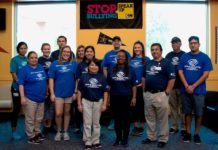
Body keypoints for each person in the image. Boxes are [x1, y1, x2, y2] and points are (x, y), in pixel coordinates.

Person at [178, 36, 213, 144]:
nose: (193, 45)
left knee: (198, 113)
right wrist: (187, 86)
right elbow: (180, 72)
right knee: (187, 113)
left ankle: (196, 134)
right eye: (191, 43)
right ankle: (188, 133)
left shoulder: (205, 57)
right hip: (185, 90)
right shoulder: (184, 57)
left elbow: (206, 74)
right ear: (189, 45)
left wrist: (193, 86)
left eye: (195, 43)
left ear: (199, 44)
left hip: (199, 91)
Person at [142, 43, 175, 148]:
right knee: (150, 117)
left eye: (156, 49)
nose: (154, 51)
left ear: (161, 51)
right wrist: (144, 90)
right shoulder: (148, 63)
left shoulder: (167, 63)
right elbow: (143, 77)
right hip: (148, 94)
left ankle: (163, 138)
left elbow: (172, 79)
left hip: (161, 94)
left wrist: (166, 93)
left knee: (162, 119)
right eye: (152, 50)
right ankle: (151, 136)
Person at [107, 49, 137, 147]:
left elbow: (134, 85)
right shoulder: (112, 69)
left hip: (127, 98)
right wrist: (107, 100)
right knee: (117, 120)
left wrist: (134, 98)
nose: (120, 58)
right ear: (116, 57)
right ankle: (118, 138)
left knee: (127, 120)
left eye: (122, 56)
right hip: (115, 98)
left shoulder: (131, 69)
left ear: (126, 58)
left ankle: (125, 139)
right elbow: (109, 86)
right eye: (118, 56)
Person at [77, 58, 108, 150]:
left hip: (98, 102)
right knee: (87, 123)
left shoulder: (102, 77)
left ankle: (96, 141)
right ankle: (88, 141)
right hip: (86, 102)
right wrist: (79, 104)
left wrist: (104, 104)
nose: (93, 67)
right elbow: (79, 91)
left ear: (99, 67)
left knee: (96, 123)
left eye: (95, 65)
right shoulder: (84, 76)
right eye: (91, 65)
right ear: (88, 67)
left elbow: (105, 91)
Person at [102, 36, 131, 130]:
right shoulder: (107, 54)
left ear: (121, 43)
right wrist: (108, 80)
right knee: (112, 103)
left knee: (124, 103)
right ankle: (113, 121)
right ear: (112, 43)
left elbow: (129, 67)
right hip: (112, 82)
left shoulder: (126, 53)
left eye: (118, 41)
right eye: (114, 41)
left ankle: (123, 121)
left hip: (123, 82)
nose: (116, 43)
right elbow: (104, 68)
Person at [49, 45, 77, 141]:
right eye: (64, 51)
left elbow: (77, 79)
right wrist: (52, 93)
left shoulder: (73, 64)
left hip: (69, 93)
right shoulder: (55, 63)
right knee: (58, 113)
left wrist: (75, 92)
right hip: (58, 93)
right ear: (61, 53)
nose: (66, 53)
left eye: (68, 52)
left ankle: (65, 132)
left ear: (70, 54)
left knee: (67, 113)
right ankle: (58, 131)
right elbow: (51, 79)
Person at [17, 51, 47, 144]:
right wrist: (22, 97)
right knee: (30, 118)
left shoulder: (41, 67)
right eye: (32, 58)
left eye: (35, 57)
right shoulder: (24, 70)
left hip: (41, 98)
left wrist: (46, 92)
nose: (34, 59)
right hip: (30, 98)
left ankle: (37, 133)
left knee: (39, 118)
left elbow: (44, 80)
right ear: (28, 59)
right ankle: (31, 136)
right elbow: (21, 84)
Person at [165, 37, 186, 136]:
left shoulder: (185, 55)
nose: (174, 44)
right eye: (172, 43)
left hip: (182, 86)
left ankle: (183, 127)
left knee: (182, 108)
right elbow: (166, 69)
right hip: (172, 86)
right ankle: (174, 126)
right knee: (173, 107)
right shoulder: (168, 55)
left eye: (176, 43)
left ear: (180, 44)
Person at [129, 41, 150, 136]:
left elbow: (149, 73)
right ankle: (135, 126)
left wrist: (142, 83)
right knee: (133, 107)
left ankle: (141, 127)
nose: (137, 49)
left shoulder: (147, 59)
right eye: (135, 47)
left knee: (141, 107)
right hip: (132, 87)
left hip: (142, 87)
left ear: (142, 48)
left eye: (139, 47)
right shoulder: (130, 60)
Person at [9, 41, 28, 140]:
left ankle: (28, 130)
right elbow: (14, 75)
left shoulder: (28, 59)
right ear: (18, 49)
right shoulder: (14, 60)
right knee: (16, 109)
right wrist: (21, 84)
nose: (23, 50)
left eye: (25, 48)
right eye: (21, 48)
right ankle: (14, 131)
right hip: (16, 88)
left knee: (27, 110)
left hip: (27, 89)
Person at [38, 43, 55, 135]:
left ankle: (50, 125)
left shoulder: (53, 60)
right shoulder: (39, 60)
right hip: (43, 85)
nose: (47, 50)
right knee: (44, 107)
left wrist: (50, 88)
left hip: (52, 85)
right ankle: (44, 126)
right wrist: (46, 88)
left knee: (52, 107)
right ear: (42, 50)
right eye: (45, 49)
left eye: (48, 49)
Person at [72, 45, 85, 134]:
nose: (81, 52)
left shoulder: (88, 62)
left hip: (86, 88)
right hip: (75, 87)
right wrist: (75, 90)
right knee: (77, 107)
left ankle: (85, 126)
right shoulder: (74, 62)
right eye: (79, 51)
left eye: (82, 51)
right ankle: (77, 126)